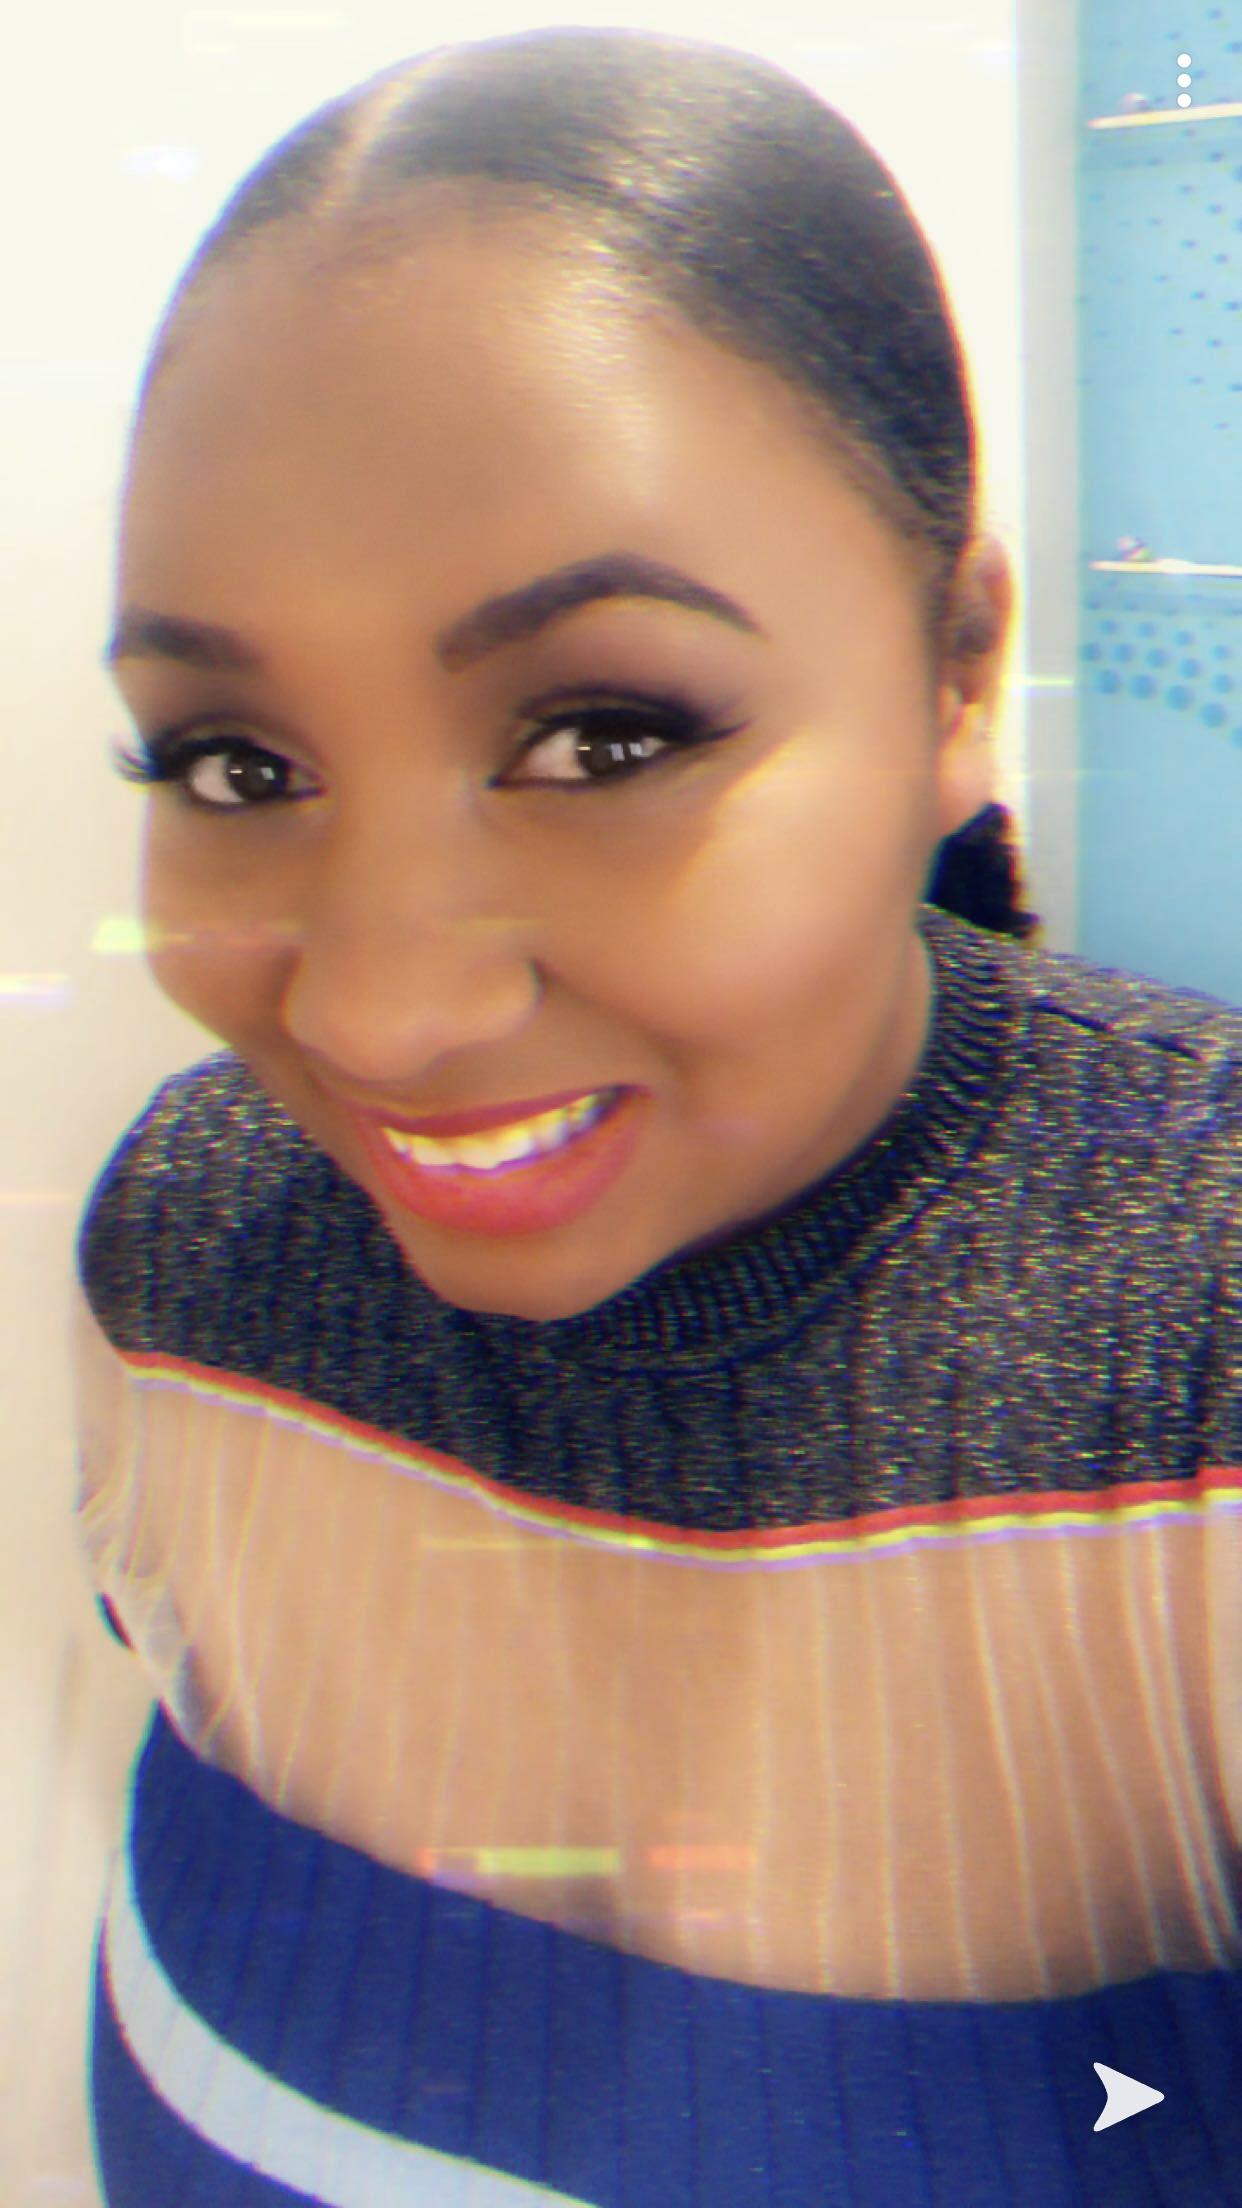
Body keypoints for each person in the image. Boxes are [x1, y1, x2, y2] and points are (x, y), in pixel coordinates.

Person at [74, 27, 1240, 2206]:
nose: (385, 1010)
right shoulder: (193, 1245)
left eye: (603, 736)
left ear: (955, 671)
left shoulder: (1193, 1348)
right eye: (236, 766)